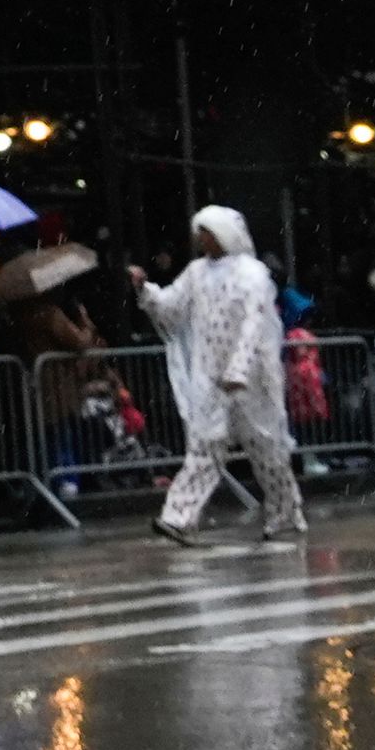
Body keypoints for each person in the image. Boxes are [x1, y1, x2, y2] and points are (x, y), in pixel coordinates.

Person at [136, 206, 306, 548]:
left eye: (208, 233)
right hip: (210, 377)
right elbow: (172, 306)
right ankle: (178, 518)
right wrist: (147, 291)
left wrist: (239, 369)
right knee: (204, 447)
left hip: (252, 380)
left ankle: (285, 513)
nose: (201, 239)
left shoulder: (253, 275)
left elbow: (254, 326)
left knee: (266, 450)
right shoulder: (196, 273)